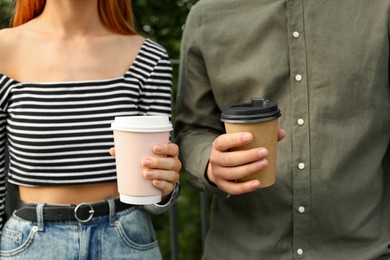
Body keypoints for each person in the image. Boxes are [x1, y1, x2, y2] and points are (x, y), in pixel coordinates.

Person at [175, 0, 390, 259]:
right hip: (241, 250)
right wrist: (210, 163)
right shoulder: (206, 16)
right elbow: (193, 128)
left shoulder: (380, 8)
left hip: (364, 251)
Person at [0, 0, 181, 259]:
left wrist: (164, 187)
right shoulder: (3, 50)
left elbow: (156, 195)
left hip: (126, 241)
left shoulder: (150, 59)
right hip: (33, 246)